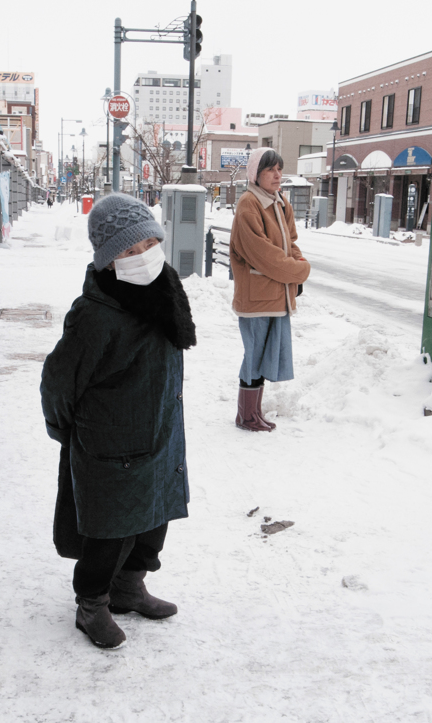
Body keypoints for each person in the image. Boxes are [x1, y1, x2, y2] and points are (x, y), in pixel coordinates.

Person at [40, 193, 196, 649]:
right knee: (107, 532)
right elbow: (58, 383)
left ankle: (130, 587)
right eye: (128, 251)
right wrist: (66, 431)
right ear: (109, 260)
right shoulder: (95, 313)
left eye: (149, 243)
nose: (143, 256)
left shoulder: (164, 292)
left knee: (153, 522)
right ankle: (92, 604)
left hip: (159, 433)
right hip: (109, 443)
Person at [228, 148, 311, 432]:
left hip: (274, 295)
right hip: (257, 296)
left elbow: (291, 242)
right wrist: (300, 271)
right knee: (254, 355)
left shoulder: (279, 202)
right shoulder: (249, 204)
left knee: (264, 356)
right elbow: (263, 255)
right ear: (256, 175)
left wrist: (297, 263)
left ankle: (254, 412)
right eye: (270, 170)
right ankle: (245, 415)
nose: (277, 175)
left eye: (279, 168)